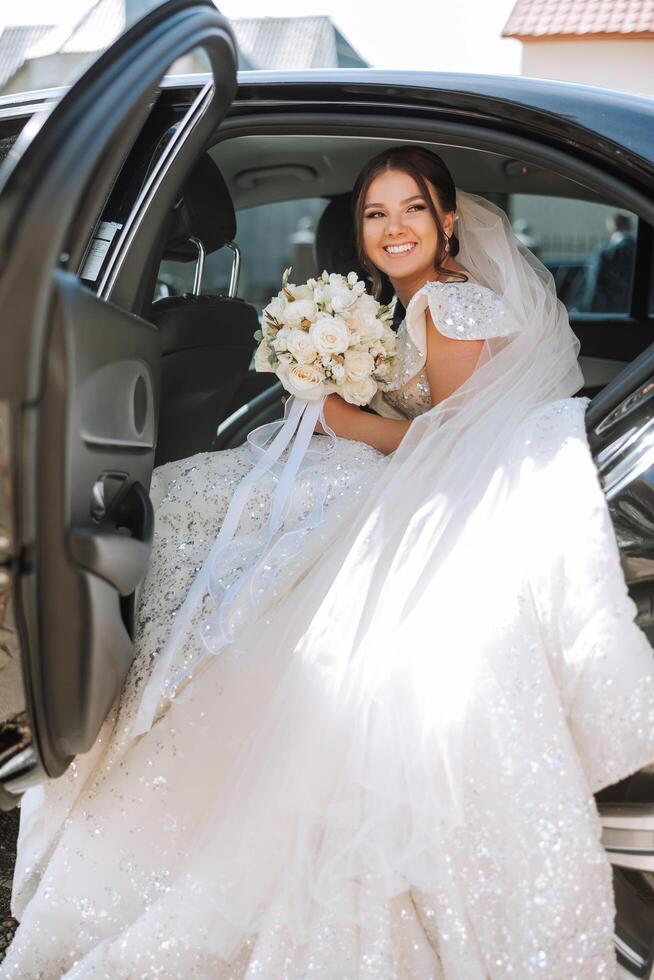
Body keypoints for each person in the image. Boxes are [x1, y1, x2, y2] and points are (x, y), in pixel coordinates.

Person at [2, 145, 654, 979]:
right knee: (208, 497)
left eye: (413, 209)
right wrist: (328, 388)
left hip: (431, 484)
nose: (394, 229)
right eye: (376, 214)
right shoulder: (413, 303)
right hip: (412, 473)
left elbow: (454, 439)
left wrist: (346, 420)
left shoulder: (450, 308)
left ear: (448, 219)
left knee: (199, 509)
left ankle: (127, 689)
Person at [581, 212, 636, 313]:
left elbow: (593, 289)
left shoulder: (604, 253)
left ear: (613, 227)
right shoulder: (645, 252)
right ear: (629, 226)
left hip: (610, 316)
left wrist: (587, 312)